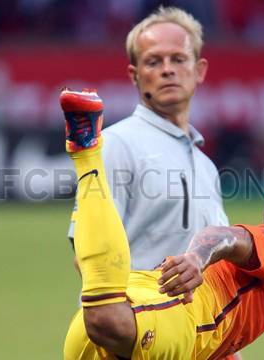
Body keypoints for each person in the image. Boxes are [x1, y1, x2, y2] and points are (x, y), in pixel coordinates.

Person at [60, 89, 264, 359]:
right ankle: (87, 152)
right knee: (106, 319)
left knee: (105, 315)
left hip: (131, 329)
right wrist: (197, 257)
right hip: (157, 314)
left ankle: (99, 268)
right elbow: (226, 236)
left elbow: (220, 336)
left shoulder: (259, 286)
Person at [67, 6, 227, 272]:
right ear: (135, 75)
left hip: (194, 314)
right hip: (135, 311)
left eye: (178, 59)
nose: (167, 70)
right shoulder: (116, 144)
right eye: (153, 61)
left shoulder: (206, 167)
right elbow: (88, 250)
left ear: (199, 70)